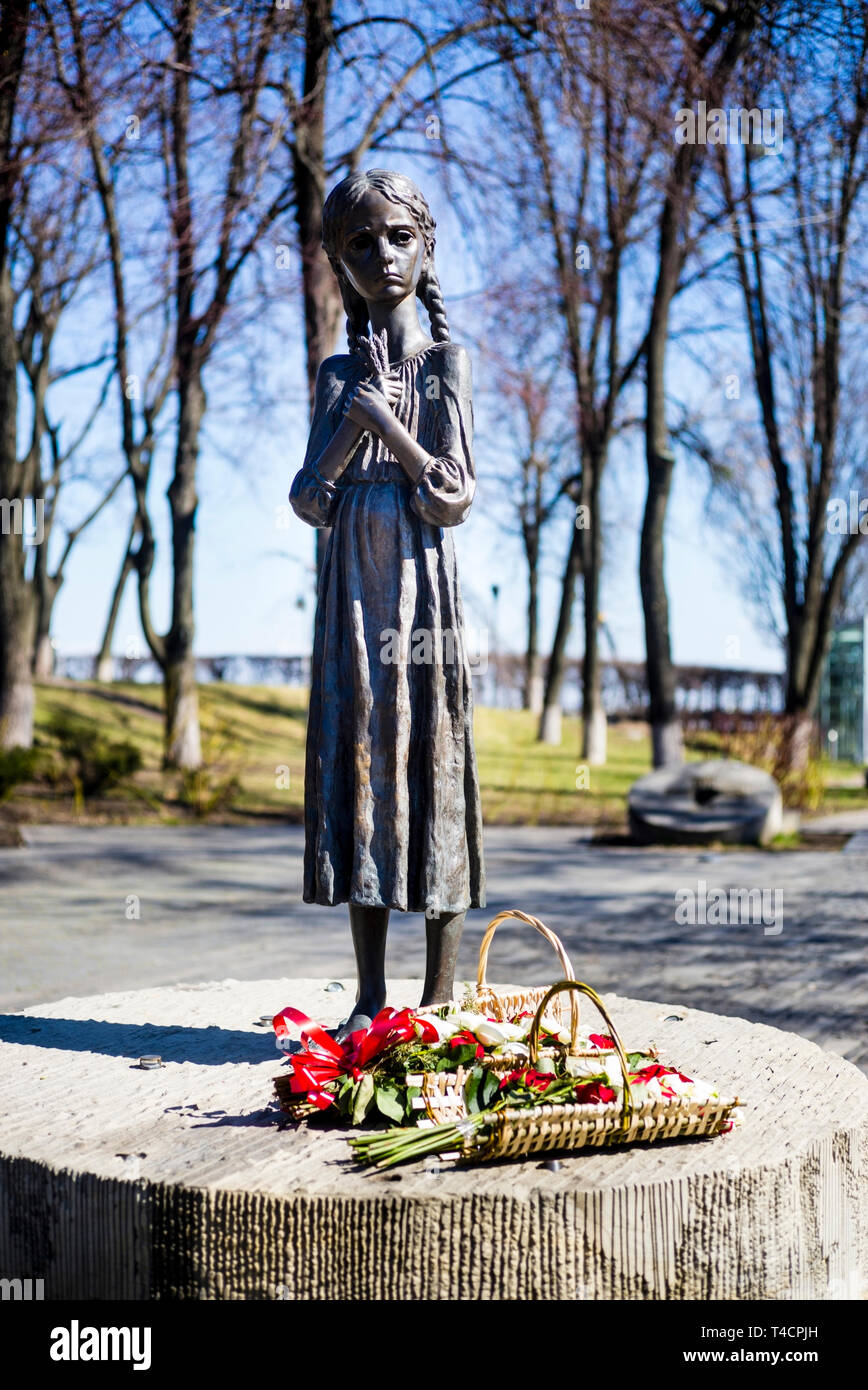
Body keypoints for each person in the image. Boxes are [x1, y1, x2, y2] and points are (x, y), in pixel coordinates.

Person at [289, 169, 486, 1039]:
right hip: (351, 602)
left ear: (426, 246)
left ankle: (442, 994)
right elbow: (308, 497)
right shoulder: (337, 375)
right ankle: (370, 997)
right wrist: (350, 424)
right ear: (340, 259)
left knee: (432, 756)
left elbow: (452, 495)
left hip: (421, 587)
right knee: (358, 761)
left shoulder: (446, 367)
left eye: (397, 237)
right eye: (360, 243)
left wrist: (391, 429)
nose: (381, 256)